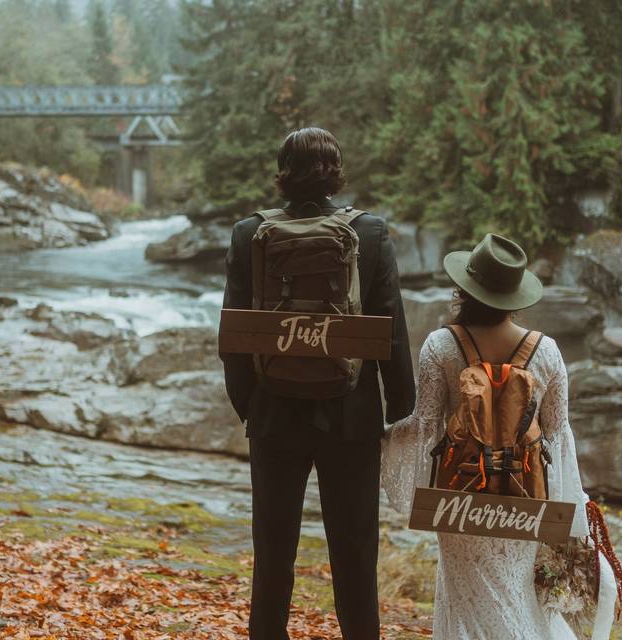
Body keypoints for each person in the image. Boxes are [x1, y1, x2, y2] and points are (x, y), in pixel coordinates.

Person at [220, 127, 416, 640]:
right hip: (350, 416)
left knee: (274, 551)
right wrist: (400, 408)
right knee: (354, 552)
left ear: (283, 172)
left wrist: (252, 407)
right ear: (335, 172)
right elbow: (392, 330)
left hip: (273, 413)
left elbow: (233, 336)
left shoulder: (249, 234)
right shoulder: (370, 233)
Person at [381, 233, 616, 639]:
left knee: (469, 601)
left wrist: (378, 437)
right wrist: (570, 509)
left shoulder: (441, 345)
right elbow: (559, 437)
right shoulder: (547, 352)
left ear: (464, 288)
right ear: (516, 296)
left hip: (460, 498)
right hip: (525, 499)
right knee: (515, 594)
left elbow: (424, 427)